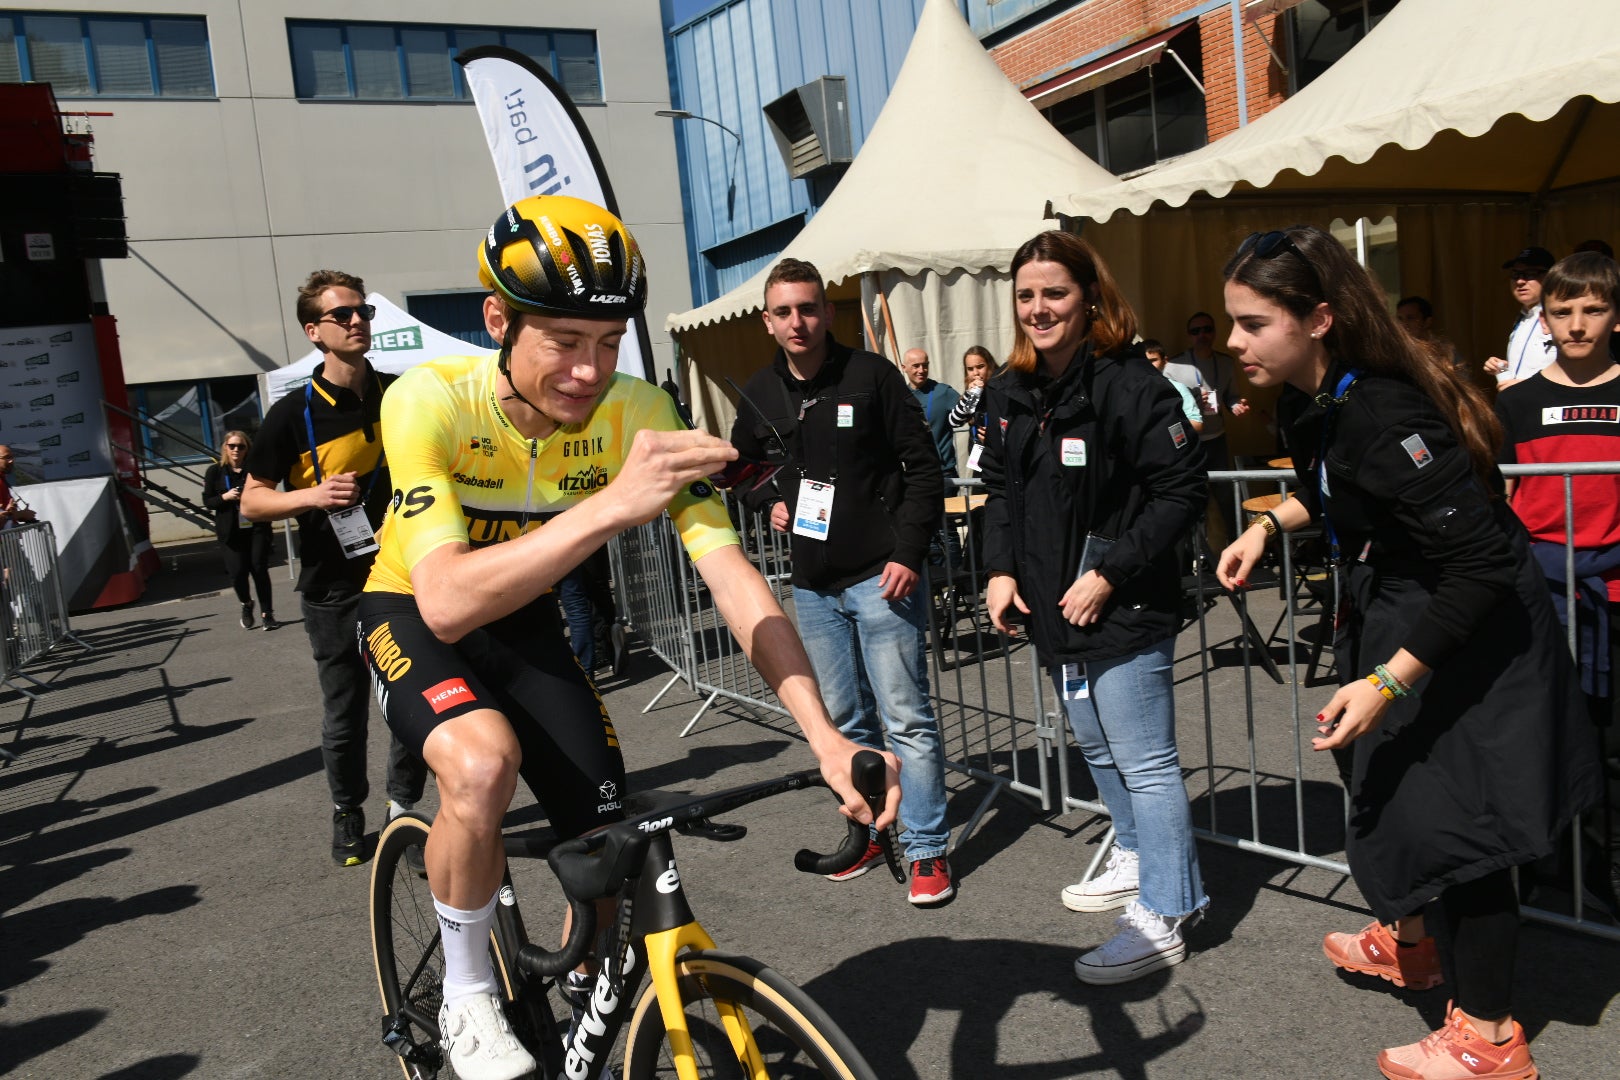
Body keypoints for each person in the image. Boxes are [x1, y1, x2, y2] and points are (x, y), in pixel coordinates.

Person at [357, 197, 899, 1080]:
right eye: (563, 342)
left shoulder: (636, 410)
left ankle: (594, 1008)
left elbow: (732, 578)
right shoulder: (430, 401)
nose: (587, 372)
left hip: (525, 622)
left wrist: (827, 737)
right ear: (498, 320)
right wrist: (616, 502)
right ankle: (464, 994)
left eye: (607, 345)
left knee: (611, 840)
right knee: (482, 764)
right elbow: (449, 603)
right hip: (415, 614)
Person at [1216, 226, 1601, 1080]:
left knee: (1469, 829)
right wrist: (1268, 523)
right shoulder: (1306, 401)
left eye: (1251, 323)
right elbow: (1338, 496)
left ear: (1317, 319)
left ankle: (1490, 1039)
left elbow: (1483, 563)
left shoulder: (1383, 412)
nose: (1233, 341)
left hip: (1473, 632)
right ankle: (1415, 947)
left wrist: (1390, 680)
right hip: (1406, 615)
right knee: (1395, 795)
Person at [980, 230, 1209, 985]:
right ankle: (1139, 854)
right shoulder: (1008, 391)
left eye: (1055, 293)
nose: (1039, 309)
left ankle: (1170, 909)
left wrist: (1110, 571)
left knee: (1145, 760)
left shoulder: (1129, 384)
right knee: (1098, 746)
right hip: (1052, 604)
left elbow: (1181, 491)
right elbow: (1005, 494)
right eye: (1026, 295)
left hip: (1122, 602)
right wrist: (1000, 570)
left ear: (1089, 299)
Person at [731, 258, 954, 906]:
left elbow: (924, 469)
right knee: (844, 722)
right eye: (784, 312)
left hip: (881, 578)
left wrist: (910, 552)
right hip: (813, 587)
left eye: (808, 308)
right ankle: (864, 837)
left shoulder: (872, 377)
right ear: (767, 321)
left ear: (827, 312)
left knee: (906, 717)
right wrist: (763, 499)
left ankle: (926, 849)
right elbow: (738, 467)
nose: (797, 322)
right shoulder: (760, 392)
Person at [242, 270, 427, 869]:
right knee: (345, 712)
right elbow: (251, 501)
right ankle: (348, 812)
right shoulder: (291, 414)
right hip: (331, 588)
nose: (357, 322)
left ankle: (405, 810)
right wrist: (312, 497)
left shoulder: (402, 393)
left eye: (363, 312)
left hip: (403, 576)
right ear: (313, 332)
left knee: (411, 700)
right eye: (342, 314)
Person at [1494, 251, 1620, 916]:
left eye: (1593, 309)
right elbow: (1502, 494)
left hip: (1614, 595)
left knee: (1611, 739)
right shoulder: (1516, 400)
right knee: (1542, 731)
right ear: (1544, 319)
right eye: (1564, 311)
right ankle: (1547, 863)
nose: (1578, 325)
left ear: (1615, 316)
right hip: (1542, 592)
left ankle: (1606, 869)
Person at [1163, 312, 1250, 546]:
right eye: (1196, 331)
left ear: (1214, 332)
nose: (1202, 335)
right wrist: (1190, 402)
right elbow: (1165, 408)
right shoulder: (1174, 366)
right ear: (1188, 336)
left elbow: (1231, 396)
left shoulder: (1225, 362)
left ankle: (1237, 546)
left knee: (1225, 497)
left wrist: (1235, 406)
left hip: (1217, 438)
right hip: (1189, 443)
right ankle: (1193, 558)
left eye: (1207, 329)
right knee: (1189, 497)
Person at [202, 430, 275, 630]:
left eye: (241, 446)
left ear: (247, 449)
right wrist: (225, 497)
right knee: (238, 573)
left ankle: (267, 613)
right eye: (232, 446)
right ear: (225, 448)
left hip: (256, 527)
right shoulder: (215, 472)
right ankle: (246, 603)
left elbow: (268, 493)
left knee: (259, 569)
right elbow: (208, 501)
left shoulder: (254, 470)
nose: (236, 450)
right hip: (230, 531)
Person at [1483, 245, 1556, 389]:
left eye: (1530, 274)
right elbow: (1522, 373)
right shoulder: (1523, 318)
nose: (1520, 281)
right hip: (1520, 404)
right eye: (1515, 275)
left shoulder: (1561, 316)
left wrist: (1528, 386)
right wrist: (1501, 369)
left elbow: (1575, 372)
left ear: (1550, 276)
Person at [948, 345, 1001, 460]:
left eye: (980, 367)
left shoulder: (1000, 389)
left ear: (990, 366)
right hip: (977, 453)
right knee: (977, 477)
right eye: (970, 369)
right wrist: (970, 395)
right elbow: (955, 421)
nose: (975, 373)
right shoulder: (973, 392)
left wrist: (994, 434)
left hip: (999, 453)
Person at [1143, 339, 1203, 436]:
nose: (1148, 365)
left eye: (1153, 360)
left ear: (1165, 361)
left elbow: (1197, 424)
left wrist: (1166, 428)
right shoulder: (1133, 390)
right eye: (1144, 361)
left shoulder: (1177, 388)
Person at [1394, 295, 1463, 369]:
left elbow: (1462, 378)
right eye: (1400, 319)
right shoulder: (1394, 351)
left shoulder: (1446, 351)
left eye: (1410, 318)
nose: (1404, 324)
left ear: (1427, 322)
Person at [0, 445, 38, 529]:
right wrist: (21, 514)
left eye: (12, 457)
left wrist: (13, 513)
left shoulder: (2, 480)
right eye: (6, 458)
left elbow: (3, 514)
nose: (11, 461)